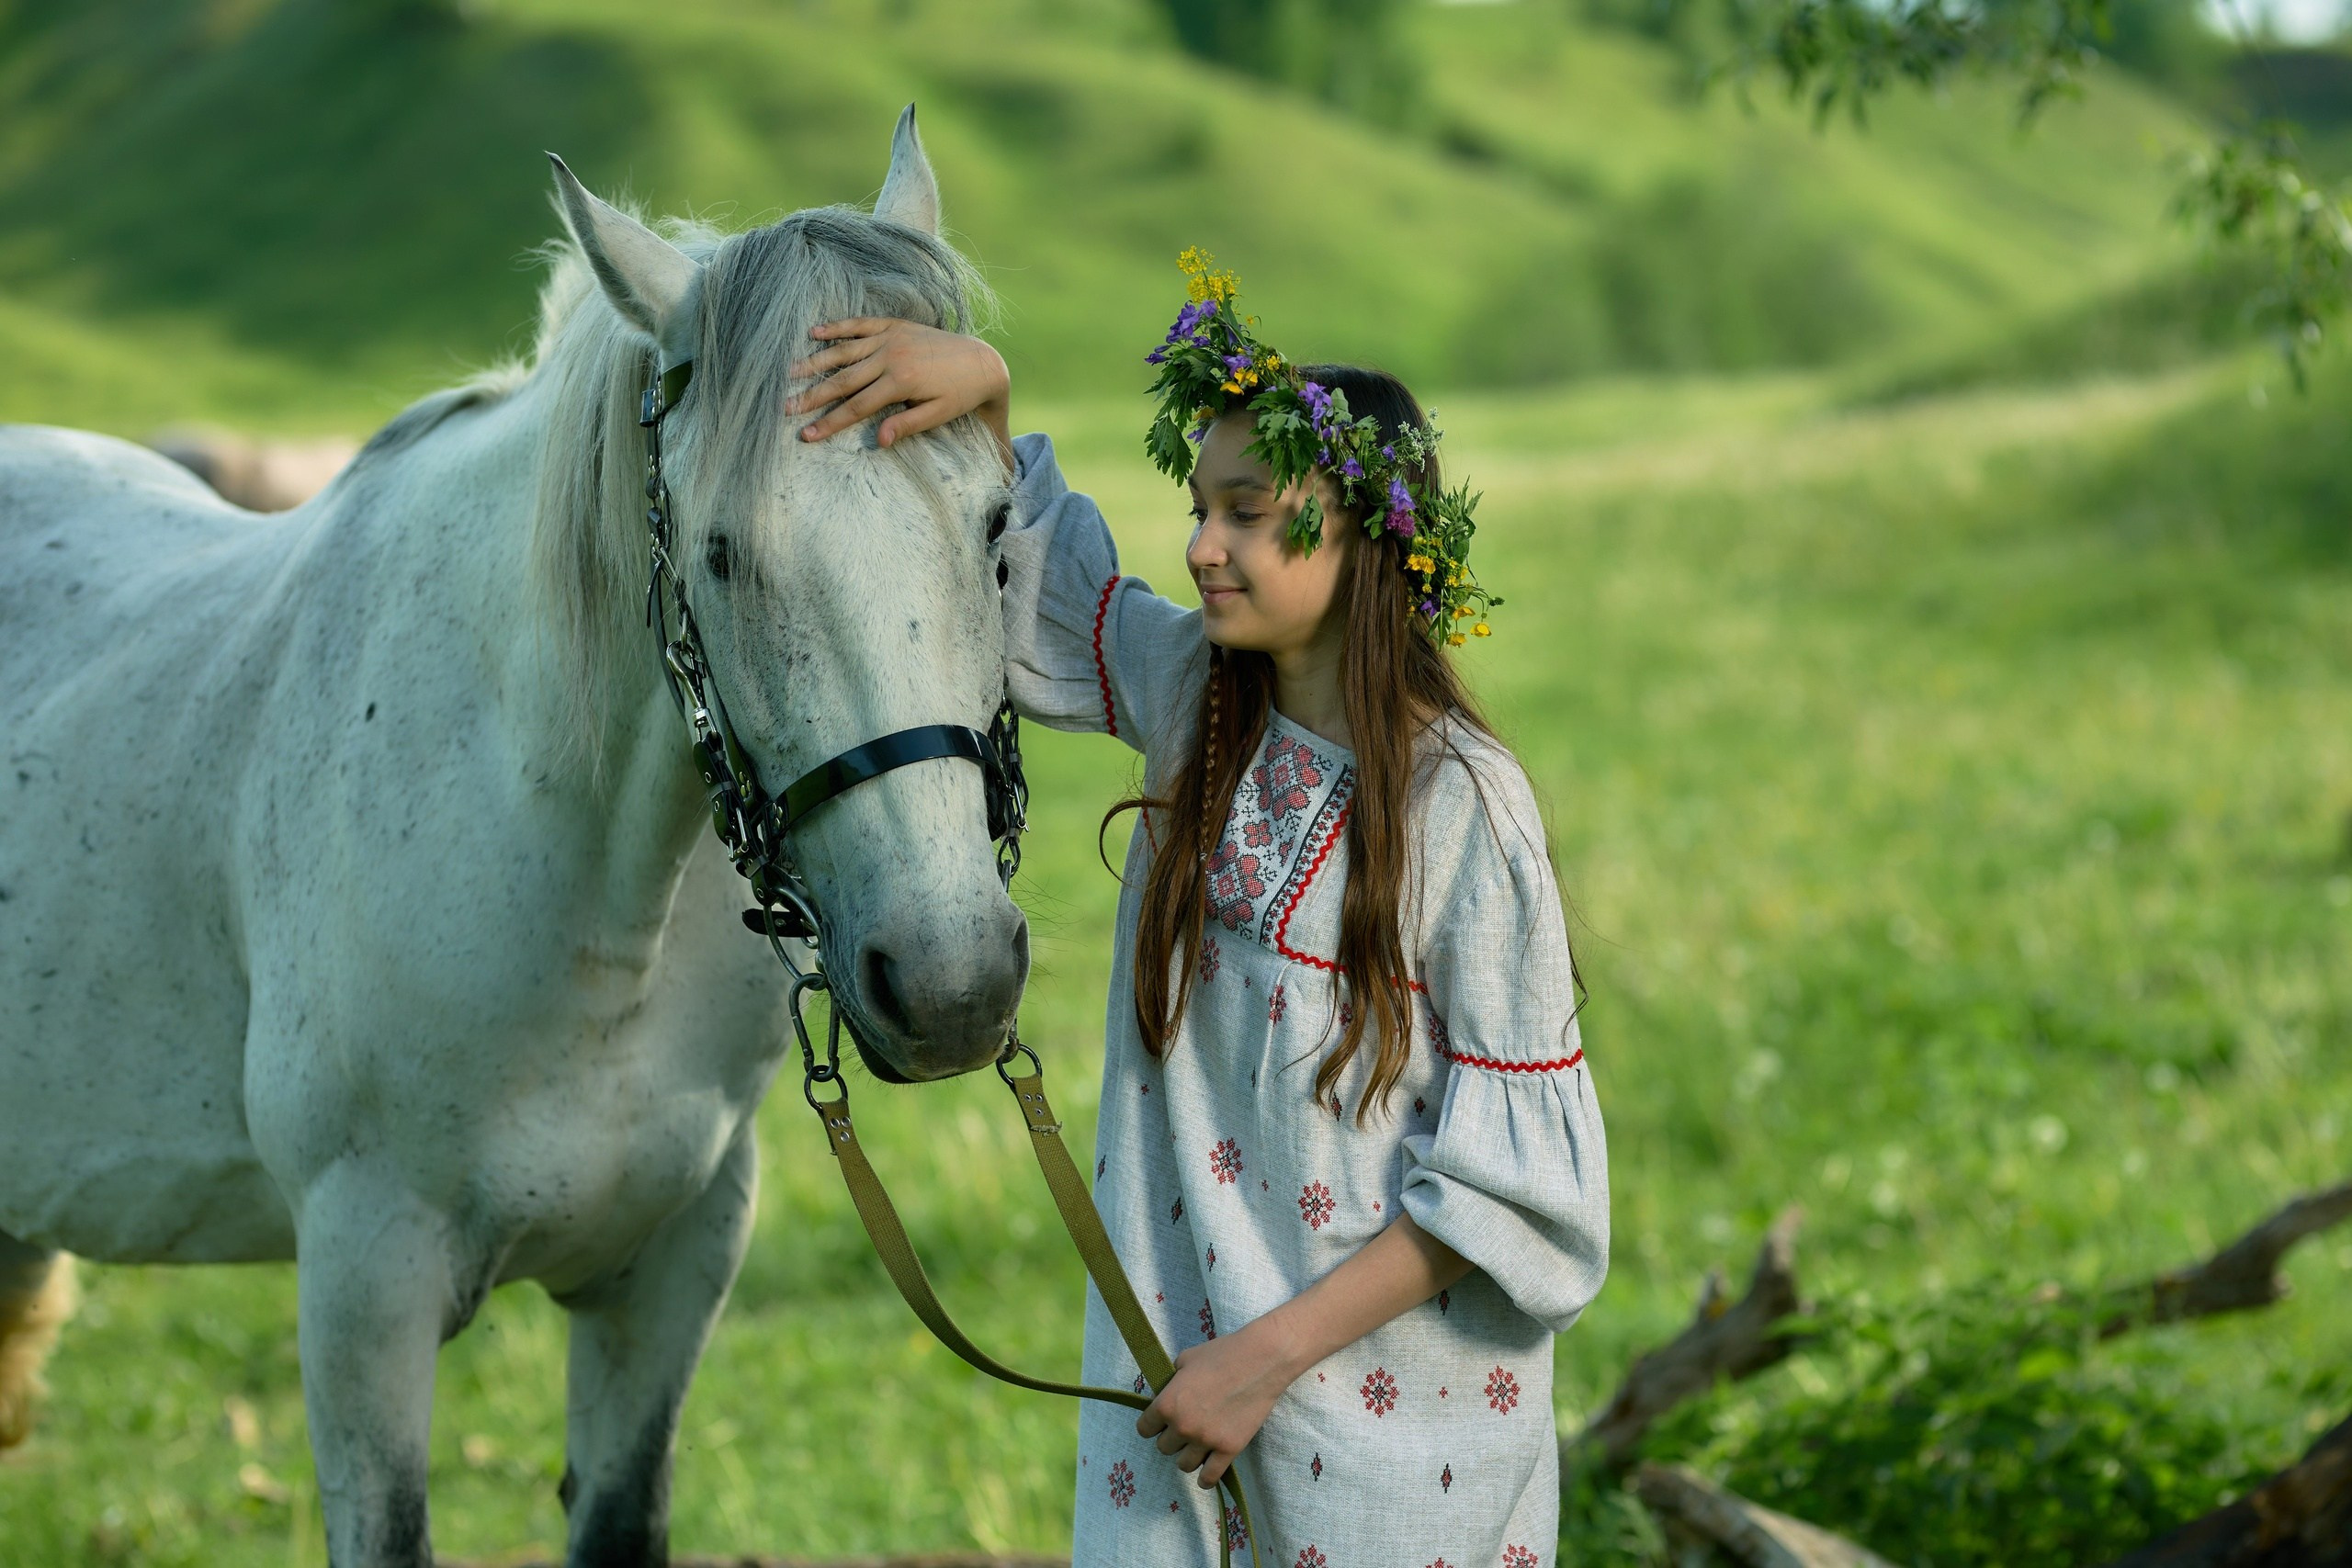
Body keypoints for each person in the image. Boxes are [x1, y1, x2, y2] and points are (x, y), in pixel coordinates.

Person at [787, 251, 1609, 1568]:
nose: (1201, 545)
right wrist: (989, 395)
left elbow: (1519, 1190)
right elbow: (1042, 583)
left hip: (1397, 1441)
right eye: (1198, 507)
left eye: (1246, 512)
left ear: (1369, 537)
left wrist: (1260, 1362)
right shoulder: (1194, 699)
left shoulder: (1464, 807)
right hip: (1181, 1396)